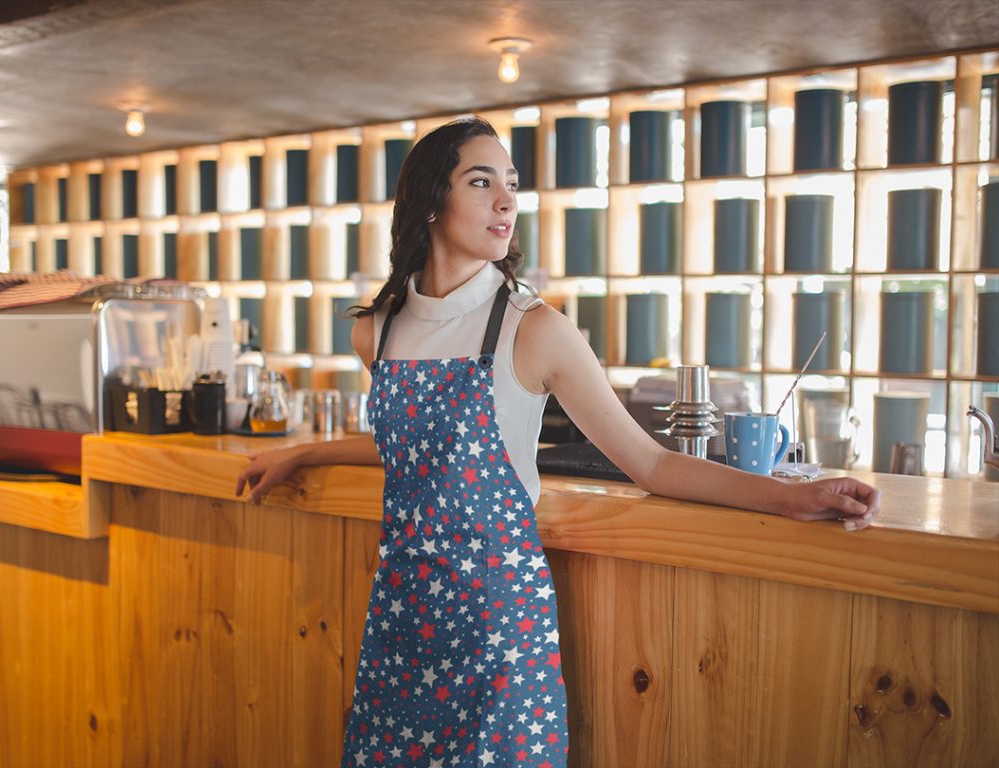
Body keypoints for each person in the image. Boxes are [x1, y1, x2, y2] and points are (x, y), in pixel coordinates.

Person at [235, 117, 881, 768]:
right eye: (481, 182)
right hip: (403, 614)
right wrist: (302, 453)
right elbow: (413, 452)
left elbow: (653, 463)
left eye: (511, 185)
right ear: (430, 200)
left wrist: (790, 497)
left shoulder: (534, 328)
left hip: (495, 626)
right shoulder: (377, 331)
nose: (506, 202)